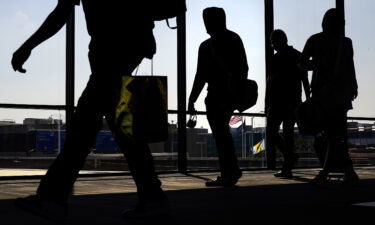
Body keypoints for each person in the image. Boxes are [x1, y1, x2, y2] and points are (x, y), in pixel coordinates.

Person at [11, 0, 168, 221]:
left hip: (110, 52)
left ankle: (52, 198)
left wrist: (27, 46)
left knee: (82, 130)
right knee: (122, 132)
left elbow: (61, 13)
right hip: (130, 47)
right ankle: (153, 198)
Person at [188, 7, 248, 187]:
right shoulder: (234, 39)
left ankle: (229, 172)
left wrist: (191, 99)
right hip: (227, 95)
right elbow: (243, 68)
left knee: (220, 134)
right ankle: (230, 170)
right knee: (222, 134)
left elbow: (200, 76)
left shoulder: (205, 46)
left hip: (215, 95)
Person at [299, 8, 359, 185]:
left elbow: (302, 63)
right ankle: (343, 170)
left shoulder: (315, 40)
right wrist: (353, 86)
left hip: (321, 94)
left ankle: (331, 171)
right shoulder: (345, 42)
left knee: (329, 135)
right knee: (337, 134)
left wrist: (316, 65)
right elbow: (350, 67)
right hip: (340, 94)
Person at [265, 29, 310, 178]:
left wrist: (267, 103)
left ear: (275, 42)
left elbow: (270, 83)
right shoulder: (297, 55)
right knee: (288, 133)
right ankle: (288, 164)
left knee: (272, 133)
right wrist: (308, 98)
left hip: (277, 101)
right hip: (293, 100)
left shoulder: (275, 59)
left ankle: (289, 158)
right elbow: (304, 79)